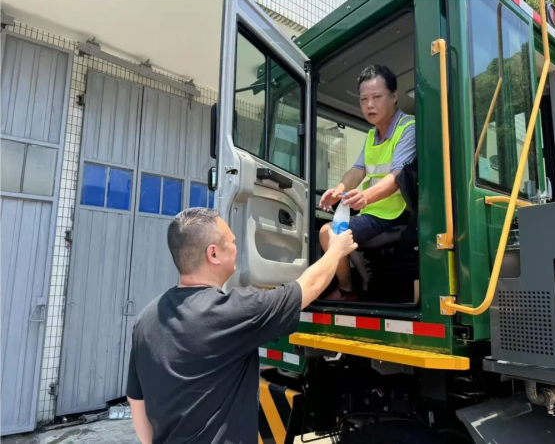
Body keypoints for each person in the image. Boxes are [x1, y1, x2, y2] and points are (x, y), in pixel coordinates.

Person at [126, 207, 357, 444]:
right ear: (213, 254)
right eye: (232, 242)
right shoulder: (234, 311)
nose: (236, 247)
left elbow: (137, 404)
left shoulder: (146, 319)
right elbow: (308, 286)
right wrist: (336, 249)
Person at [319, 64, 416, 301]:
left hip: (395, 215)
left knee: (327, 232)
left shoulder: (408, 128)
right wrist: (339, 190)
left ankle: (346, 290)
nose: (369, 105)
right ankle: (364, 281)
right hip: (373, 212)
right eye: (364, 99)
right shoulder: (372, 134)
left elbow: (397, 177)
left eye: (376, 97)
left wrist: (365, 197)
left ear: (394, 96)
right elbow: (358, 170)